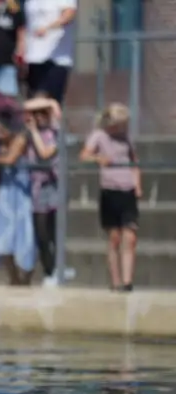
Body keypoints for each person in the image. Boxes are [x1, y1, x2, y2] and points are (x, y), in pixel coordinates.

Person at [79, 103, 141, 292]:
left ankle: (127, 281)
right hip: (110, 190)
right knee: (114, 237)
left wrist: (137, 184)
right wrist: (98, 158)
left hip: (127, 189)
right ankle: (115, 281)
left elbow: (134, 161)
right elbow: (84, 155)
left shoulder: (126, 139)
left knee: (130, 236)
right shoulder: (99, 136)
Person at [0, 108, 36, 285]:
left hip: (21, 192)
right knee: (3, 235)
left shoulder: (20, 138)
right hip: (5, 192)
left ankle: (26, 277)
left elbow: (10, 159)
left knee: (24, 233)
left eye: (2, 129)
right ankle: (13, 277)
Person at [24, 96, 61, 287]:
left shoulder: (55, 132)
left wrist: (49, 103)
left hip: (52, 186)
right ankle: (49, 269)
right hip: (36, 188)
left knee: (54, 230)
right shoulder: (28, 133)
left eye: (42, 114)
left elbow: (44, 153)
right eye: (34, 114)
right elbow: (21, 107)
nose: (38, 118)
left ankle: (57, 268)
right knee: (41, 231)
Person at [23, 0, 77, 103]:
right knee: (33, 100)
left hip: (56, 59)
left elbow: (69, 14)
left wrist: (48, 28)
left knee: (49, 101)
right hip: (33, 57)